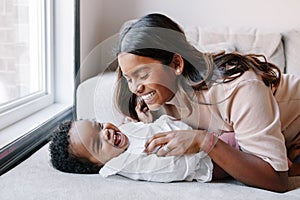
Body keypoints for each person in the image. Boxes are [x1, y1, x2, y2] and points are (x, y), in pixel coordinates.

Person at [114, 13, 300, 192]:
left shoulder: (236, 87)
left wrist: (205, 141)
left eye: (143, 75)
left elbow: (277, 180)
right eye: (129, 79)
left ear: (177, 64)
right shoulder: (151, 99)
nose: (136, 88)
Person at [49, 114, 224, 182]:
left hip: (202, 136)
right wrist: (198, 149)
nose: (106, 133)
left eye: (99, 126)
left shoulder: (121, 137)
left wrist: (143, 122)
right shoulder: (129, 163)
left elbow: (146, 132)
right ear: (98, 166)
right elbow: (170, 170)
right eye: (98, 143)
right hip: (210, 161)